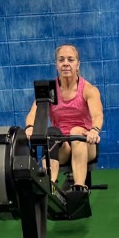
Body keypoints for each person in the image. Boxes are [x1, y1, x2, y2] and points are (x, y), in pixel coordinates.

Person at [24, 44, 104, 194]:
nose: (66, 63)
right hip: (63, 147)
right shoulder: (49, 90)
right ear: (57, 64)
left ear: (77, 64)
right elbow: (33, 113)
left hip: (86, 144)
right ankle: (50, 187)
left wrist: (94, 130)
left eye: (70, 59)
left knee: (76, 131)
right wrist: (29, 127)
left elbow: (98, 114)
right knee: (52, 132)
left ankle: (79, 188)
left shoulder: (88, 90)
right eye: (61, 60)